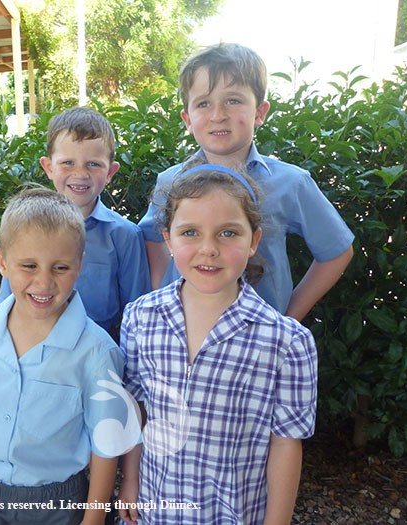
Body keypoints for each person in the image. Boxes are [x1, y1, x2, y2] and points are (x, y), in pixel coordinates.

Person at [117, 166, 318, 525]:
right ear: (168, 238)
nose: (208, 249)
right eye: (190, 232)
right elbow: (136, 410)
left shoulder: (286, 342)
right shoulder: (140, 318)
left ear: (253, 240)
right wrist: (129, 481)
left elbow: (286, 443)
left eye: (228, 233)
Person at [0, 187, 128, 525]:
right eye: (28, 265)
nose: (43, 282)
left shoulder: (96, 352)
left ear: (79, 265)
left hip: (58, 504)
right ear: (3, 262)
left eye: (60, 268)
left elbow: (105, 442)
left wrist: (93, 518)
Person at [139, 43, 354, 320]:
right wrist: (161, 290)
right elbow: (152, 239)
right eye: (203, 103)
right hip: (181, 336)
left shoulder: (291, 183)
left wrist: (289, 316)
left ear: (259, 112)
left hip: (261, 344)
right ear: (187, 119)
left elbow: (337, 250)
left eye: (233, 100)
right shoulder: (169, 181)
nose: (218, 115)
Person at [0, 107, 150, 338]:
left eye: (94, 164)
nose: (80, 174)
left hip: (94, 357)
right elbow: (5, 306)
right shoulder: (24, 230)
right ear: (49, 167)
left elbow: (138, 313)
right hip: (30, 349)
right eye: (68, 162)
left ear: (111, 172)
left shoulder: (125, 236)